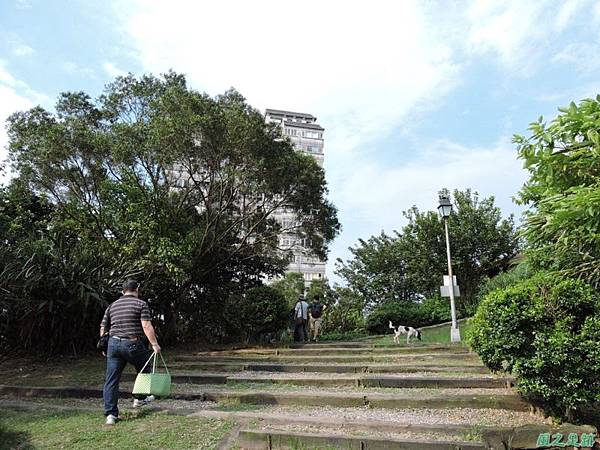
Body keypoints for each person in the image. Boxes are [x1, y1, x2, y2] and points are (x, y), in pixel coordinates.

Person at [100, 280, 162, 425]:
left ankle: (111, 415)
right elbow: (146, 325)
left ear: (123, 291)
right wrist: (154, 344)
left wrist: (104, 347)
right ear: (137, 289)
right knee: (145, 369)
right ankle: (140, 398)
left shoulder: (112, 306)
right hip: (132, 343)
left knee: (111, 380)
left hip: (113, 344)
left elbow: (103, 327)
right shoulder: (141, 304)